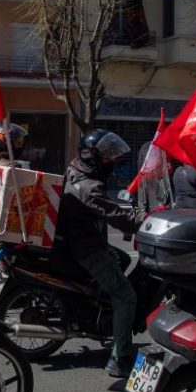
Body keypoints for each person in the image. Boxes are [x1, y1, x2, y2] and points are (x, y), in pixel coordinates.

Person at [57, 129, 141, 378]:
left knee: (124, 258)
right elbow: (115, 214)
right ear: (93, 157)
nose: (112, 162)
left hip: (77, 241)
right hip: (86, 248)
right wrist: (144, 219)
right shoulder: (89, 186)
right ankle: (119, 358)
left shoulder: (74, 169)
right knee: (126, 296)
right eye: (107, 158)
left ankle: (103, 311)